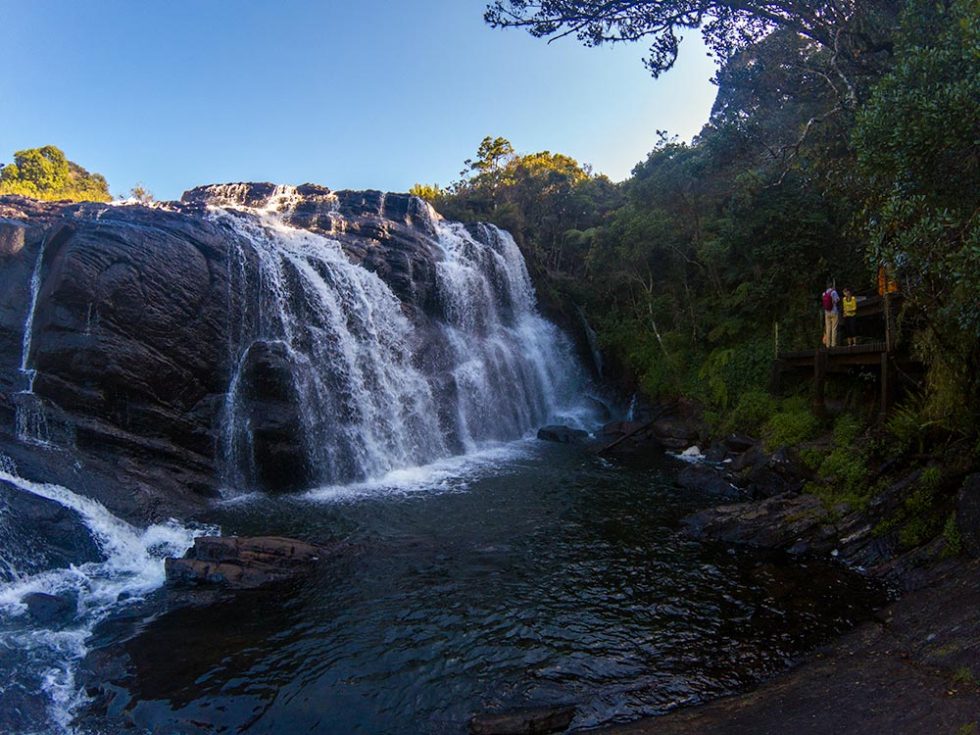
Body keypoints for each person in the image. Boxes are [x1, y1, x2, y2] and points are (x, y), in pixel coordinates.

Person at [821, 281, 840, 348]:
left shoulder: (824, 293)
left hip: (827, 313)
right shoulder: (834, 292)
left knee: (828, 328)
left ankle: (827, 344)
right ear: (832, 286)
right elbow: (837, 300)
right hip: (834, 312)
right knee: (834, 328)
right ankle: (833, 344)